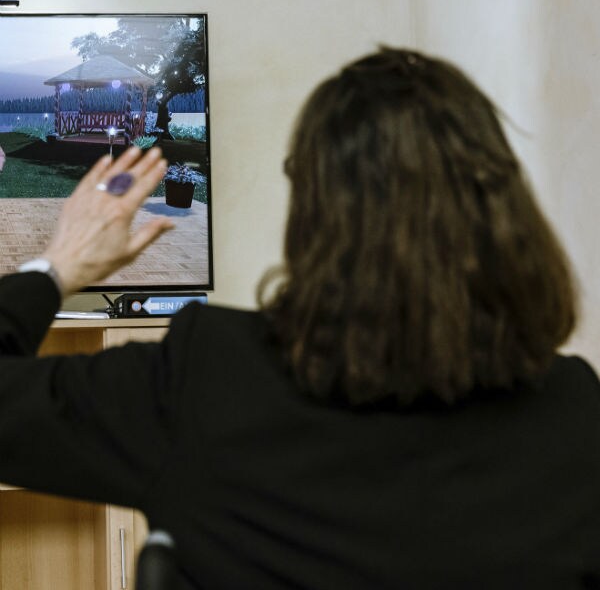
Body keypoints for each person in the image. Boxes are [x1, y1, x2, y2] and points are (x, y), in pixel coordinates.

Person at [1, 47, 600, 589]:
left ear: (314, 215)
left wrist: (56, 268)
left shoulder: (206, 382)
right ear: (506, 211)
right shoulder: (577, 418)